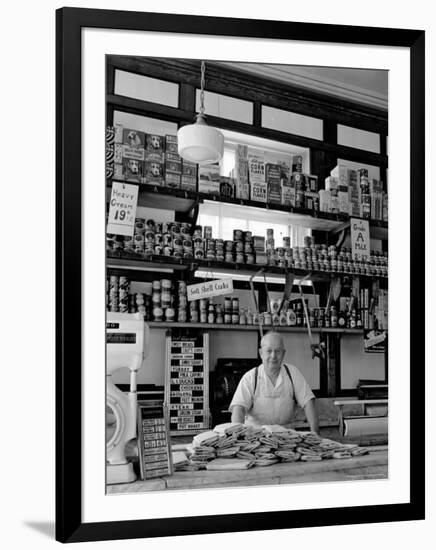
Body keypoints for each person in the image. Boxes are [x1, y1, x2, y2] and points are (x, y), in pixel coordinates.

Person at [229, 331, 319, 432]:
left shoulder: (292, 374)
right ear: (261, 353)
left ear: (284, 353)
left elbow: (308, 402)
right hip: (255, 437)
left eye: (278, 351)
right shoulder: (250, 378)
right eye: (269, 351)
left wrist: (316, 434)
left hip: (287, 437)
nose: (273, 356)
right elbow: (239, 409)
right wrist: (237, 437)